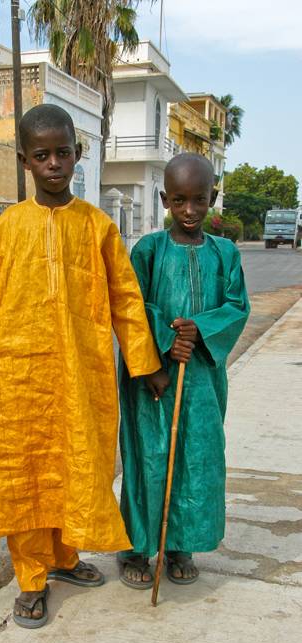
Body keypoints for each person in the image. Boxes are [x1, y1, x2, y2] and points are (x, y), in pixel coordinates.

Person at [0, 104, 165, 628]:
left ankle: (66, 559)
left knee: (74, 466)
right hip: (19, 378)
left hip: (80, 374)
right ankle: (30, 577)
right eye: (42, 154)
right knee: (25, 472)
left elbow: (124, 297)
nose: (54, 163)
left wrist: (145, 362)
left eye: (63, 152)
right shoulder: (8, 225)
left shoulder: (97, 227)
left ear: (78, 153)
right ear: (24, 159)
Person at [118, 153, 250, 589]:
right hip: (153, 379)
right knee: (149, 458)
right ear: (164, 199)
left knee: (196, 459)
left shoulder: (225, 253)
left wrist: (201, 328)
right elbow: (132, 307)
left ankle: (180, 545)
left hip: (202, 383)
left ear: (212, 197)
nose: (189, 210)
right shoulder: (149, 250)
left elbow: (236, 307)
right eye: (179, 200)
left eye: (199, 200)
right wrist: (161, 344)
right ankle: (137, 545)